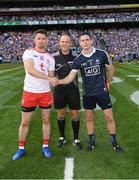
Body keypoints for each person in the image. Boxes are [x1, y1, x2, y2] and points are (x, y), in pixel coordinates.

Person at [56, 33, 123, 153]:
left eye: (87, 39)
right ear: (80, 43)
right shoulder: (78, 60)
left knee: (109, 117)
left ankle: (114, 142)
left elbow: (111, 69)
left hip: (102, 92)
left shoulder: (102, 54)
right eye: (82, 40)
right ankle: (91, 141)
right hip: (88, 94)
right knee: (89, 117)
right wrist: (58, 81)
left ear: (91, 41)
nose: (85, 42)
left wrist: (107, 82)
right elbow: (70, 77)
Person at [12, 29, 56, 160]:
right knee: (25, 122)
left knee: (46, 120)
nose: (41, 40)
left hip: (45, 93)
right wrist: (49, 79)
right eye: (39, 38)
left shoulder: (50, 58)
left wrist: (51, 90)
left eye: (43, 38)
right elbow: (30, 70)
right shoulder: (29, 52)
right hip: (30, 92)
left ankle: (45, 146)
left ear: (47, 40)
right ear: (35, 40)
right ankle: (20, 149)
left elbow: (51, 77)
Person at [53, 34, 82, 150]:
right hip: (59, 91)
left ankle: (76, 138)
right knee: (60, 114)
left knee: (75, 114)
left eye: (67, 42)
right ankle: (62, 137)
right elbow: (50, 74)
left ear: (71, 43)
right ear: (59, 43)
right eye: (63, 41)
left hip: (73, 90)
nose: (65, 44)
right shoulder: (53, 57)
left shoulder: (76, 57)